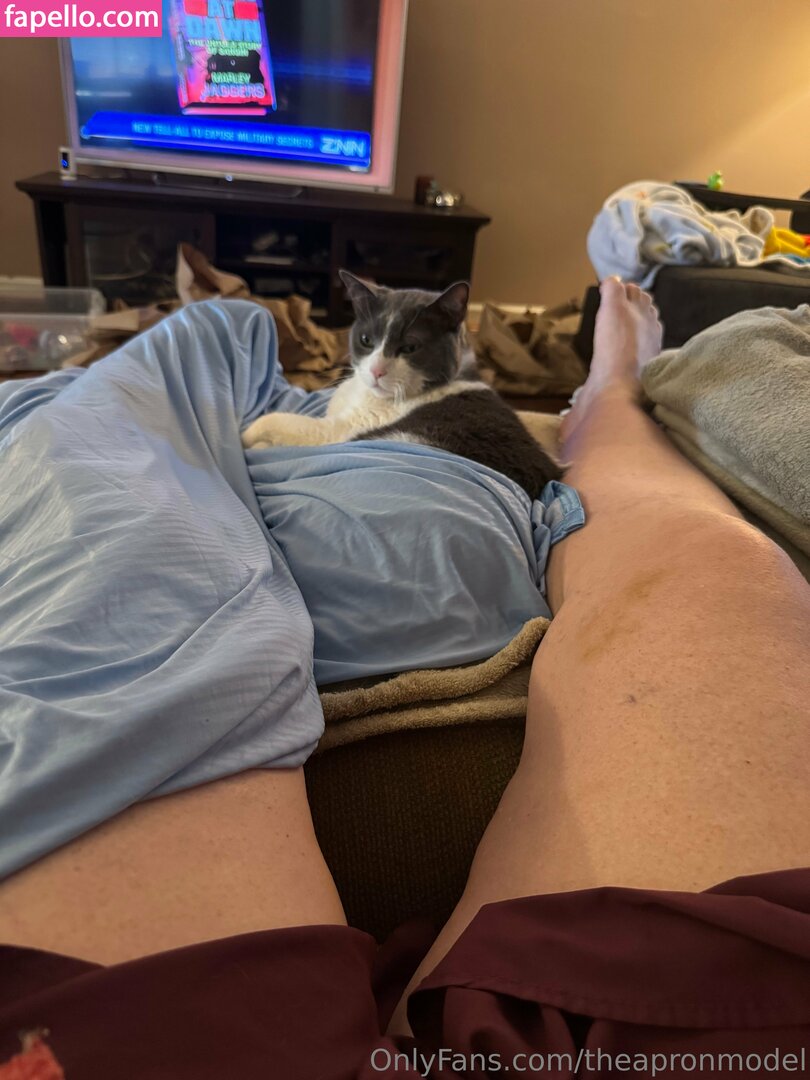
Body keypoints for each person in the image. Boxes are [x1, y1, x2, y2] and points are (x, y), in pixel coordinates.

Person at [1, 280, 808, 1079]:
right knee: (713, 561)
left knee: (154, 389)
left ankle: (602, 398)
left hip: (153, 1010)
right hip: (668, 990)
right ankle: (611, 397)